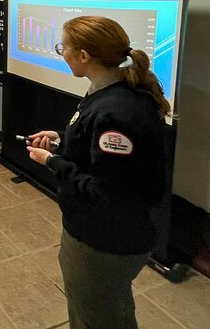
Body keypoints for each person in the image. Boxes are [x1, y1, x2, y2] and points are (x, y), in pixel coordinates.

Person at [25, 16, 170, 329]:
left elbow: (109, 192)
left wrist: (52, 161)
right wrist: (62, 140)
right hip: (101, 235)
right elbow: (102, 157)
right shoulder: (107, 93)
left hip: (103, 242)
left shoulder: (117, 112)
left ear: (84, 56)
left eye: (63, 47)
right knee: (105, 311)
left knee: (97, 318)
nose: (61, 53)